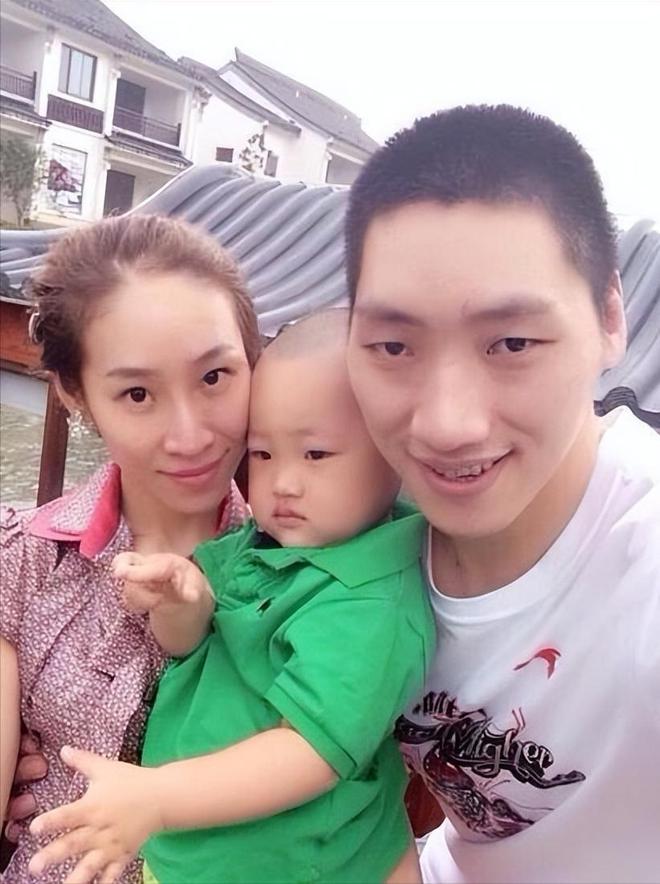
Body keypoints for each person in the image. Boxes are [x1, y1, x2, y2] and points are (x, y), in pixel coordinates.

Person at [344, 103, 660, 883]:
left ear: (610, 318)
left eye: (512, 342)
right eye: (393, 346)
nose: (447, 425)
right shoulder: (349, 526)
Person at [27, 310, 435, 884]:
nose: (283, 483)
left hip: (294, 867)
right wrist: (185, 606)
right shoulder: (267, 545)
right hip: (193, 856)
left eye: (316, 455)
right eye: (263, 454)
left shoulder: (368, 602)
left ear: (396, 453)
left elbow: (309, 754)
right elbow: (191, 650)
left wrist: (156, 798)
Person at [0, 213, 261, 882]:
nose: (190, 436)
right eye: (138, 393)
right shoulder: (24, 563)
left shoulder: (306, 576)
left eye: (215, 377)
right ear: (76, 395)